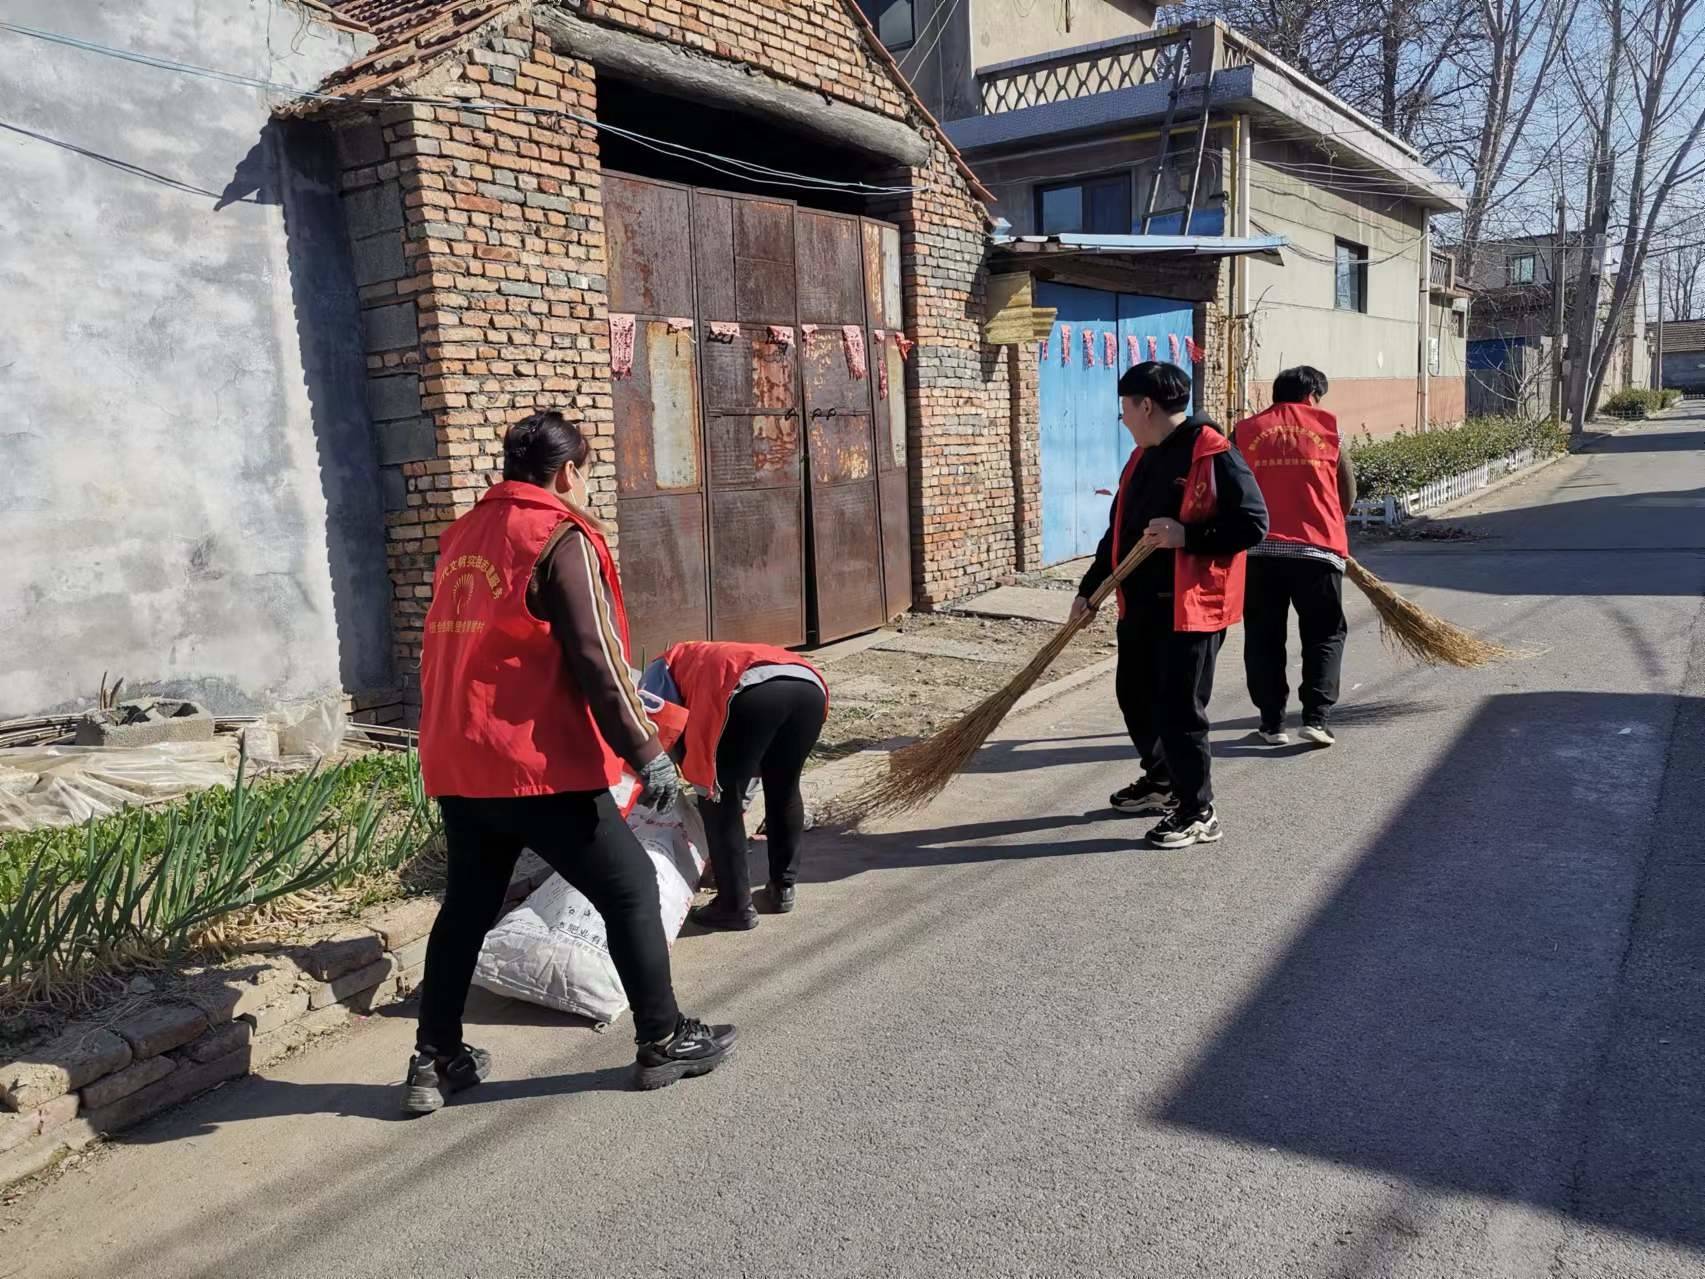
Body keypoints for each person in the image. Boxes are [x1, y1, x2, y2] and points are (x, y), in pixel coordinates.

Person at [408, 411, 735, 1114]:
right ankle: (663, 1038)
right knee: (627, 891)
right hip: (537, 764)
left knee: (465, 907)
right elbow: (599, 658)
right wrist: (647, 752)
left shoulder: (463, 535)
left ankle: (436, 1057)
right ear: (566, 473)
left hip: (460, 760)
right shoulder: (557, 534)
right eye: (584, 472)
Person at [1071, 362, 1268, 848]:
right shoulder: (1142, 458)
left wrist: (1188, 536)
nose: (1124, 419)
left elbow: (1253, 524)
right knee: (1134, 697)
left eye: (1125, 408)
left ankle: (1198, 810)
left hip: (1191, 608)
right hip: (1138, 605)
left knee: (1181, 710)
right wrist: (1087, 590)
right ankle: (1162, 780)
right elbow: (1116, 536)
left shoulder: (1214, 454)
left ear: (1145, 405)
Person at [640, 642, 828, 930]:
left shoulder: (658, 669)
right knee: (784, 787)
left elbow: (654, 726)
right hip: (809, 687)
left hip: (746, 693)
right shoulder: (700, 657)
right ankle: (782, 889)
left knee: (718, 800)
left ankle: (734, 907)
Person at [1232, 366, 1356, 748]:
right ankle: (1316, 719)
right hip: (1317, 551)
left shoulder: (1244, 432)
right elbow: (1346, 491)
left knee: (1264, 637)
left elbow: (1229, 485)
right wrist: (1330, 521)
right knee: (1324, 633)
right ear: (1312, 395)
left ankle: (1271, 724)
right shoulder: (1329, 432)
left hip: (1258, 553)